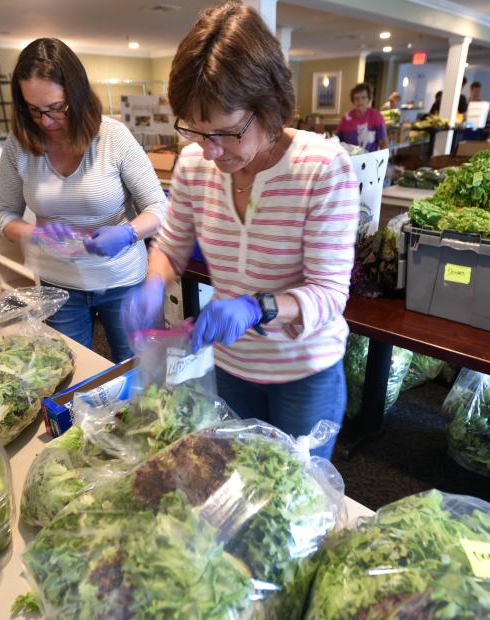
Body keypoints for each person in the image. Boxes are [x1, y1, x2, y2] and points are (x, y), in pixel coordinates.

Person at [124, 1, 359, 458]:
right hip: (230, 364)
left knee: (295, 500)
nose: (210, 151)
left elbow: (330, 292)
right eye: (197, 131)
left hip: (303, 371)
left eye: (227, 133)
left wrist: (258, 308)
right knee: (234, 479)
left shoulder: (322, 168)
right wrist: (153, 282)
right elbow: (171, 246)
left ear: (268, 107)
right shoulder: (194, 164)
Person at [0, 38, 166, 362]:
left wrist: (128, 232)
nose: (45, 121)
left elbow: (158, 207)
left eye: (56, 108)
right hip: (59, 287)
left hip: (122, 280)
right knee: (75, 371)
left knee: (137, 367)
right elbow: (2, 213)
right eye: (34, 109)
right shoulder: (19, 143)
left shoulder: (113, 137)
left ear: (78, 96)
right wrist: (33, 234)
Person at [335, 82, 389, 151]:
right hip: (350, 160)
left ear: (368, 99)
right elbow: (337, 141)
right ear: (353, 101)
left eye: (363, 98)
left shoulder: (376, 116)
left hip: (370, 159)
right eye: (356, 98)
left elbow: (384, 143)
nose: (360, 101)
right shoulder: (345, 118)